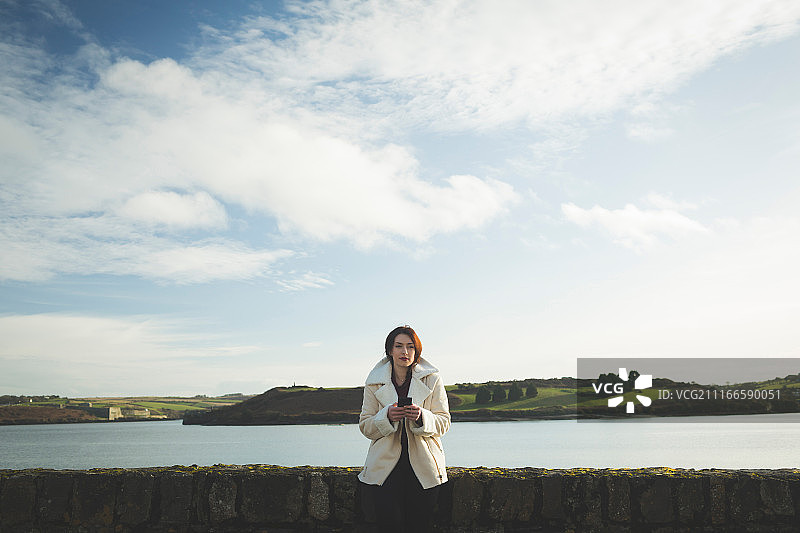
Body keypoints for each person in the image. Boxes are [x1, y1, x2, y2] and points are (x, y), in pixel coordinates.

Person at [358, 325, 450, 533]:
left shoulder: (433, 379)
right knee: (389, 526)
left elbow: (444, 422)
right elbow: (365, 426)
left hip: (424, 466)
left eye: (410, 347)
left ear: (417, 352)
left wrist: (421, 417)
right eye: (398, 346)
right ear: (389, 350)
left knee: (419, 526)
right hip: (385, 469)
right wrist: (386, 417)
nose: (404, 352)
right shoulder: (373, 382)